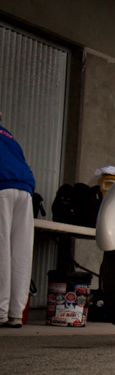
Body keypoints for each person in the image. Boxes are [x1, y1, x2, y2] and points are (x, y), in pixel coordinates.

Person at [0, 116, 35, 328]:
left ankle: (0, 312)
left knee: (2, 248)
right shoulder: (8, 135)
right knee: (20, 251)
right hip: (24, 188)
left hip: (2, 185)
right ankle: (15, 313)